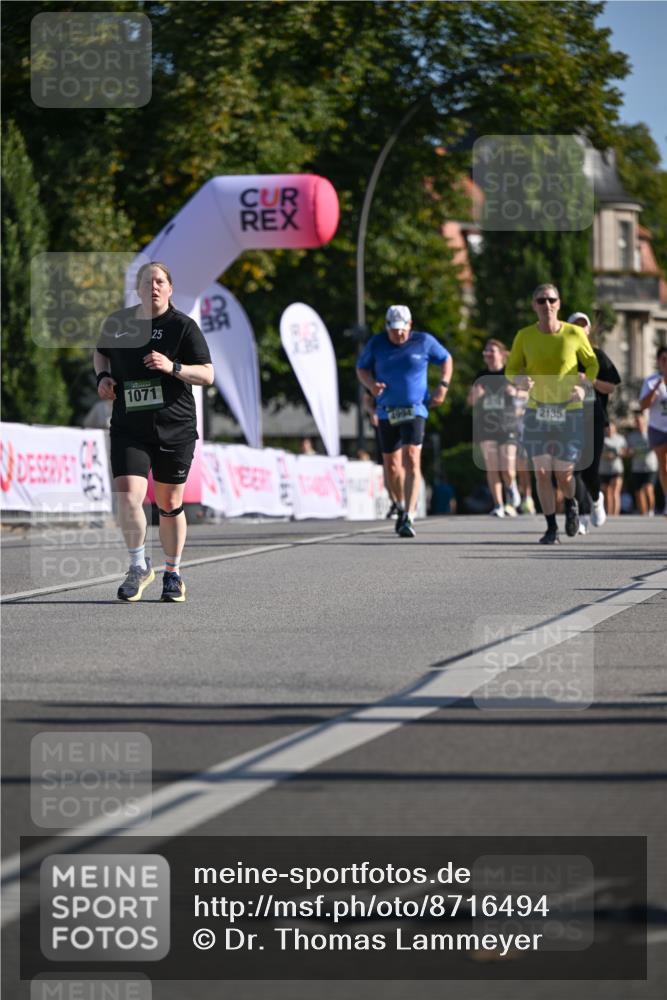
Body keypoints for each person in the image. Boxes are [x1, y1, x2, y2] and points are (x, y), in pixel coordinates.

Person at [94, 261, 214, 602]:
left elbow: (207, 375)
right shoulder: (117, 324)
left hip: (174, 427)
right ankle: (138, 566)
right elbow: (100, 355)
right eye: (147, 282)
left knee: (169, 503)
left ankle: (173, 574)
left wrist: (172, 367)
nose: (154, 287)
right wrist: (102, 378)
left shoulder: (183, 327)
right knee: (128, 495)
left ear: (170, 288)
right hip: (129, 425)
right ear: (139, 289)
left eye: (160, 281)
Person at [505, 283, 599, 544]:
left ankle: (570, 502)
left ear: (559, 303)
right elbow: (511, 369)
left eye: (551, 300)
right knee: (542, 472)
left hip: (568, 410)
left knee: (564, 473)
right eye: (541, 300)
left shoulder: (573, 334)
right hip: (537, 409)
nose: (546, 305)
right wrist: (520, 381)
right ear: (534, 305)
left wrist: (584, 386)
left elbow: (591, 363)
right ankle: (550, 528)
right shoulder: (524, 336)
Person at [356, 304, 453, 538]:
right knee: (391, 464)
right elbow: (361, 368)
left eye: (403, 329)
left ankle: (409, 515)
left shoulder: (424, 341)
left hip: (416, 408)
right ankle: (398, 504)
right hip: (387, 411)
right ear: (387, 327)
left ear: (410, 325)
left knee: (411, 458)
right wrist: (371, 385)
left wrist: (443, 386)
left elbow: (446, 359)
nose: (398, 334)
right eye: (394, 330)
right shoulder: (377, 343)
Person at [568, 311, 621, 534]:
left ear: (588, 330)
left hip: (594, 419)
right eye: (575, 326)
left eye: (583, 326)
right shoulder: (565, 358)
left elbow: (611, 387)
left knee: (590, 470)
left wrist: (591, 380)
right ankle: (582, 515)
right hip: (569, 420)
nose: (580, 330)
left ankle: (597, 500)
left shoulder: (597, 356)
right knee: (573, 470)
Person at [468, 339, 522, 517]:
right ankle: (498, 505)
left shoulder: (510, 374)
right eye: (486, 351)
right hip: (487, 426)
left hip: (508, 424)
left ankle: (511, 486)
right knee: (492, 467)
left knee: (507, 468)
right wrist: (476, 396)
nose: (488, 354)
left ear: (501, 354)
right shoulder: (481, 375)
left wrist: (516, 392)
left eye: (492, 351)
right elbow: (471, 401)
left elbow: (529, 392)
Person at [639, 345, 667, 516]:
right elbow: (643, 405)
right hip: (657, 428)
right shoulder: (651, 381)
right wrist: (656, 386)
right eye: (663, 359)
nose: (666, 362)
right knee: (663, 466)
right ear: (658, 361)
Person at [625, 410, 658, 515]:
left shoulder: (651, 434)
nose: (639, 424)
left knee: (648, 488)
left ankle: (651, 510)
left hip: (650, 467)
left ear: (644, 422)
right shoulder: (631, 436)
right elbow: (627, 451)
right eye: (637, 422)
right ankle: (643, 513)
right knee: (639, 492)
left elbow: (657, 447)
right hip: (637, 468)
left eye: (640, 422)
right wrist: (629, 452)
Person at [599, 419, 626, 517]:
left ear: (615, 428)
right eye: (607, 427)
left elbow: (625, 452)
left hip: (616, 469)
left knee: (615, 492)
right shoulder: (601, 438)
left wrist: (618, 453)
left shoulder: (620, 439)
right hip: (604, 469)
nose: (609, 429)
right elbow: (596, 453)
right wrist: (605, 455)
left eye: (611, 427)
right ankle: (609, 513)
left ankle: (616, 514)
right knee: (607, 493)